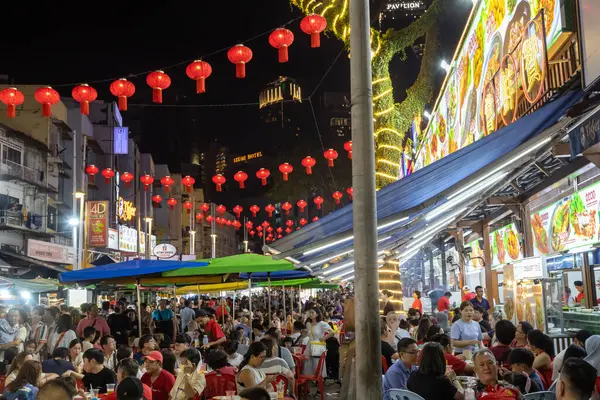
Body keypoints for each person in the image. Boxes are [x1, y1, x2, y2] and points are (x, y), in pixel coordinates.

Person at [303, 308, 333, 375]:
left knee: (317, 364)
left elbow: (332, 332)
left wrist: (324, 338)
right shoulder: (308, 324)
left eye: (312, 313)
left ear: (317, 314)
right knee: (308, 365)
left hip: (317, 345)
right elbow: (308, 333)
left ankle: (318, 380)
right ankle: (310, 380)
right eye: (310, 313)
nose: (310, 314)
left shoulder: (322, 324)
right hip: (309, 345)